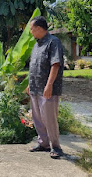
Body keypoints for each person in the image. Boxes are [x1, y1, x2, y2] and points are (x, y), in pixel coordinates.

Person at [26, 16, 64, 159]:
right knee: (38, 118)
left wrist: (49, 86)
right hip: (35, 88)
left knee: (49, 118)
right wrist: (30, 84)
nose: (31, 32)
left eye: (32, 29)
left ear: (40, 29)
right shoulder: (37, 45)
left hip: (48, 89)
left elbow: (55, 64)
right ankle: (43, 143)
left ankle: (56, 147)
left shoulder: (53, 42)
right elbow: (35, 66)